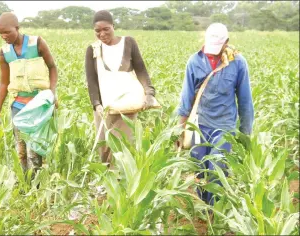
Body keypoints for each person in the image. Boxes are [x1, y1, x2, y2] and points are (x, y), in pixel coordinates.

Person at [176, 23, 254, 206]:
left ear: (227, 42)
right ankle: (204, 206)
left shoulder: (238, 63)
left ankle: (216, 211)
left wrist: (245, 134)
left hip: (224, 125)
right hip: (199, 123)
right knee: (200, 168)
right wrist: (179, 129)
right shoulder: (194, 62)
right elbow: (186, 98)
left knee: (217, 167)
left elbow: (245, 101)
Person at [85, 10, 157, 165]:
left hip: (127, 105)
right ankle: (107, 183)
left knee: (123, 145)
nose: (102, 34)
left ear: (113, 26)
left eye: (106, 29)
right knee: (104, 146)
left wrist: (149, 94)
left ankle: (123, 180)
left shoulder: (128, 43)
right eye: (97, 31)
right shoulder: (93, 49)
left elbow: (141, 70)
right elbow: (91, 80)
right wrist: (96, 104)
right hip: (104, 107)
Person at [0, 12, 58, 175]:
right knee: (20, 150)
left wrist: (52, 93)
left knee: (34, 151)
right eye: (1, 33)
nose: (4, 36)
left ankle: (35, 187)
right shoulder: (4, 52)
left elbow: (52, 67)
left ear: (17, 28)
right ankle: (24, 185)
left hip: (38, 106)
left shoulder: (37, 43)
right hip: (18, 106)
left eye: (7, 32)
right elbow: (4, 82)